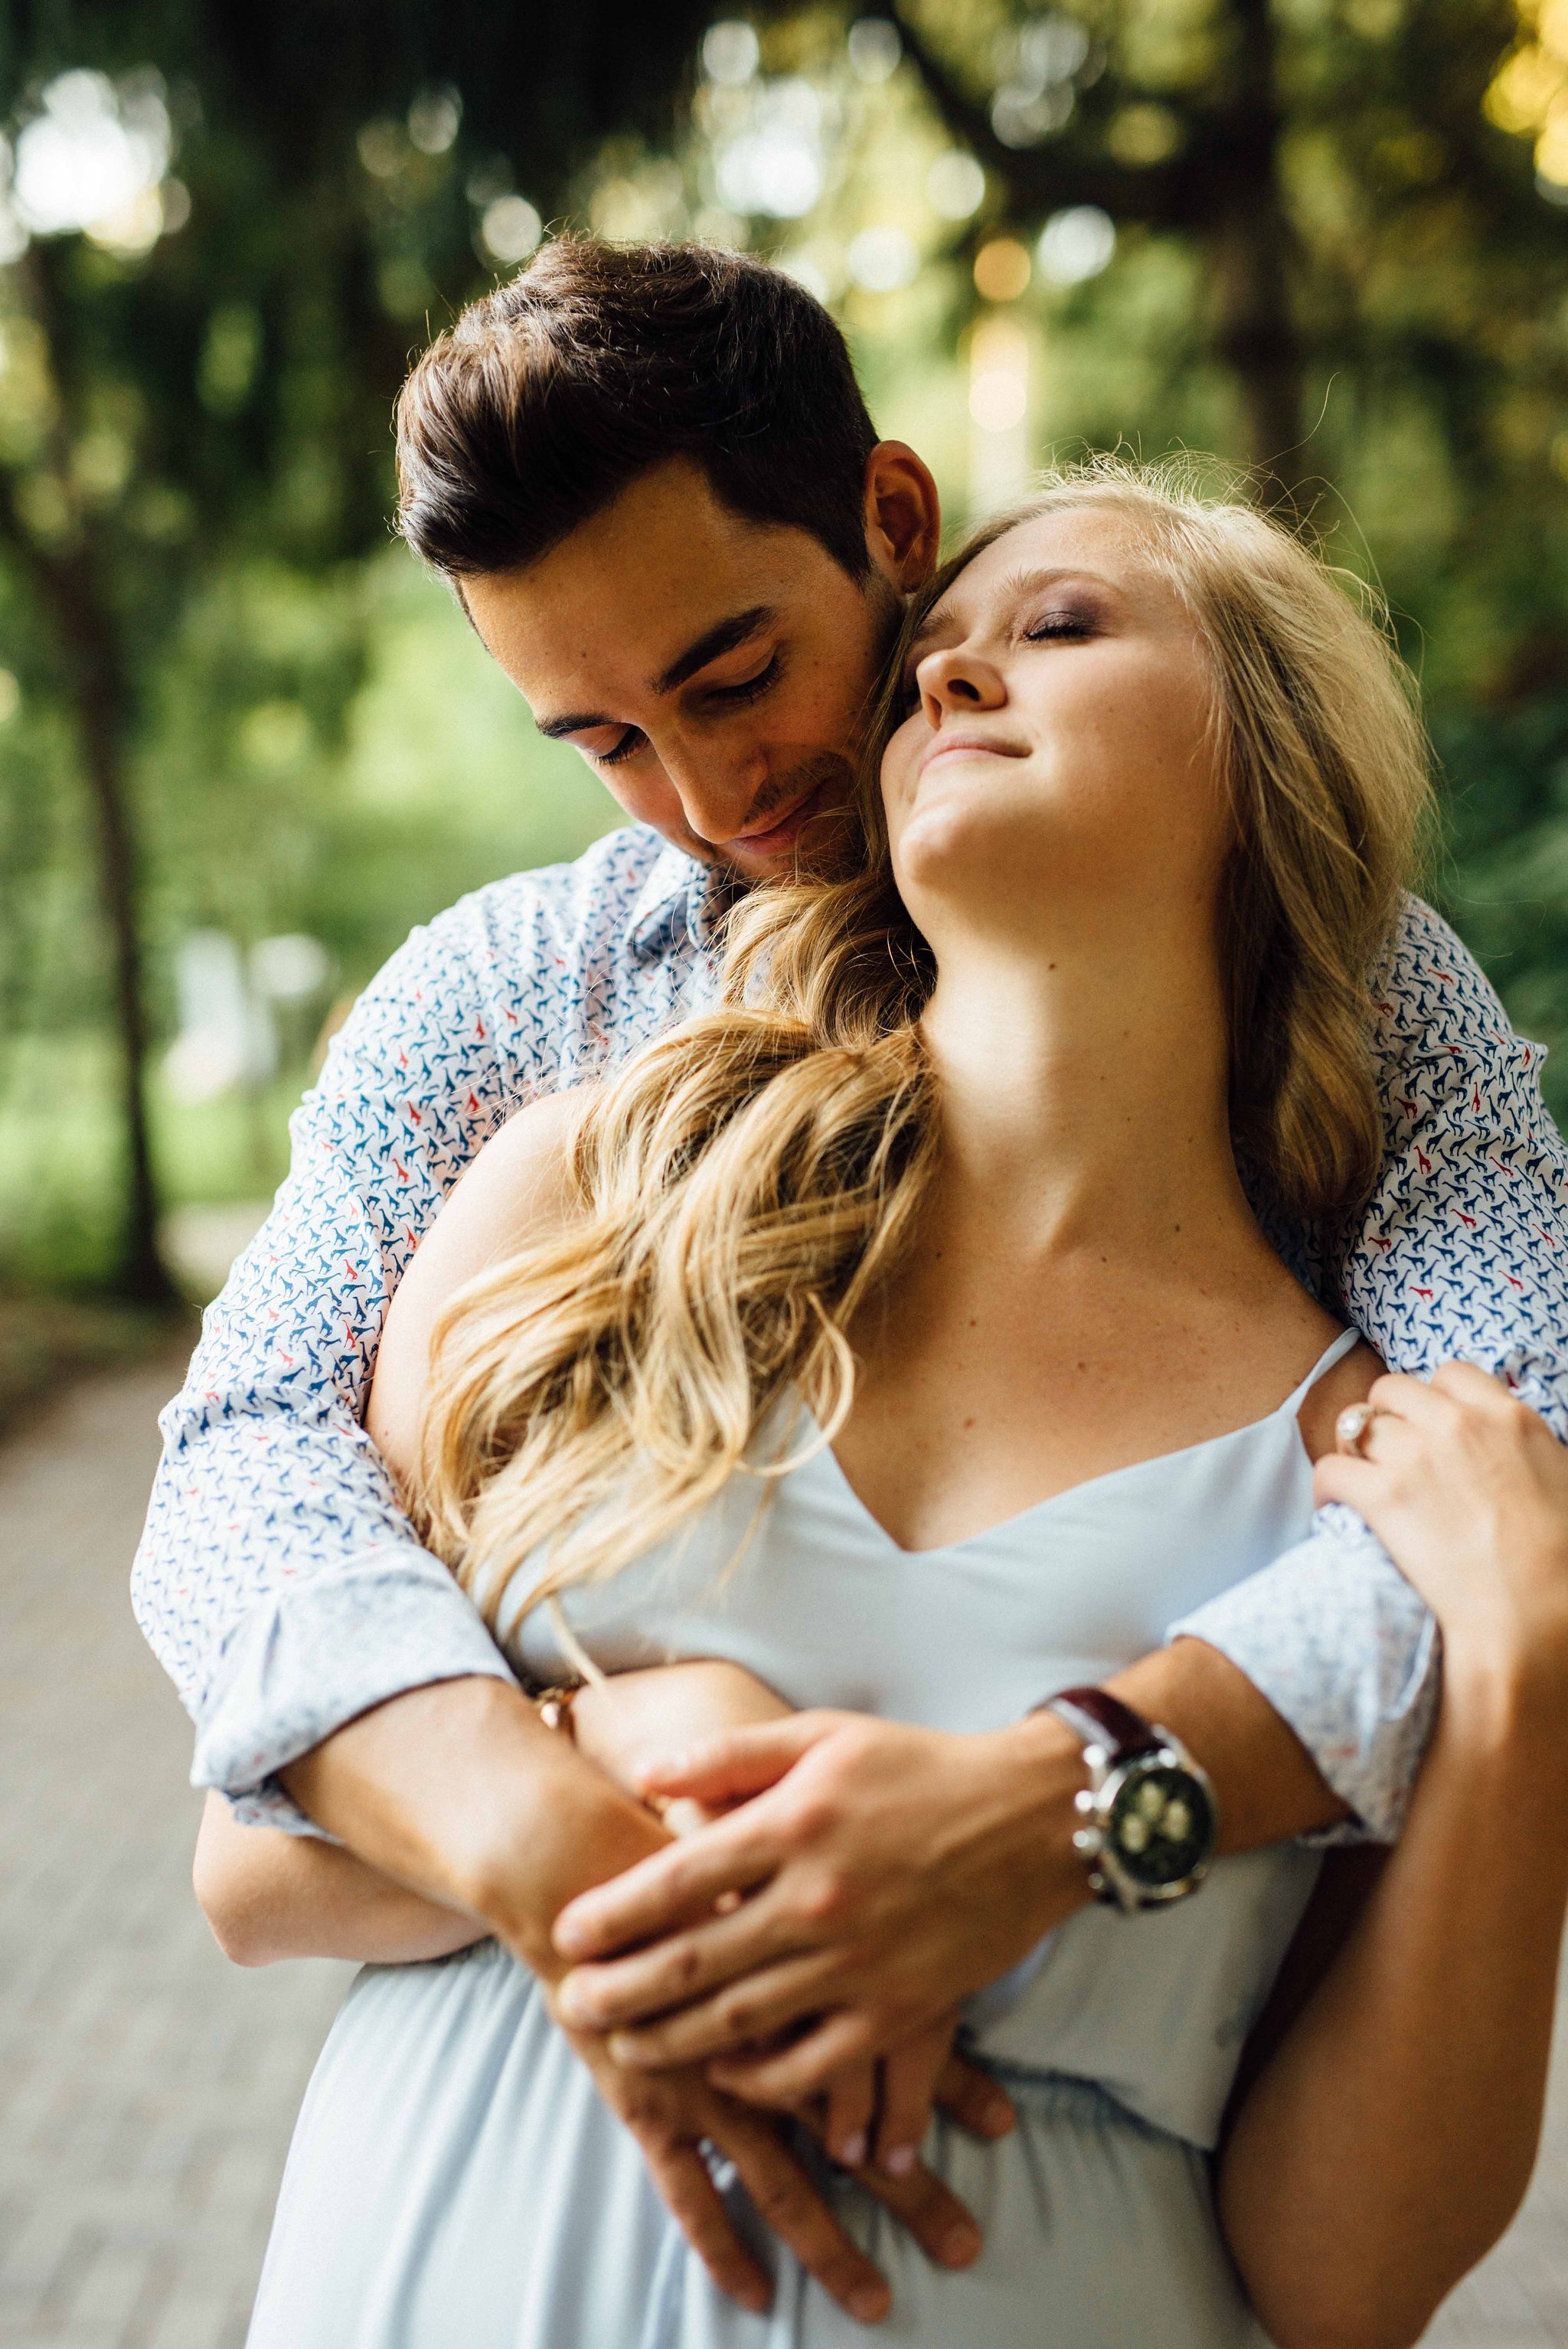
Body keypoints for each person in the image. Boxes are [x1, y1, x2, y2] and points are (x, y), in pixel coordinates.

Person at [136, 241, 1568, 2314]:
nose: (708, 801)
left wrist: (1057, 1802)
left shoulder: (1354, 999)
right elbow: (249, 1475)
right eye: (603, 739)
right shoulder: (535, 1044)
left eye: (731, 678)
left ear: (889, 522)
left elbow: (1514, 1448)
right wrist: (586, 1778)